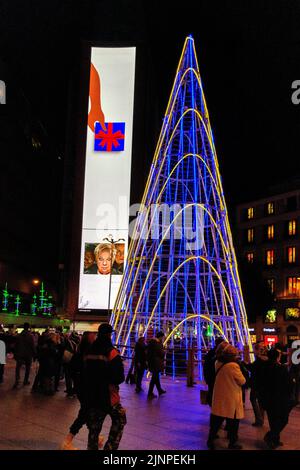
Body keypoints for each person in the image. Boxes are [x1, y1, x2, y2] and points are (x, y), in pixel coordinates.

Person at [82, 323, 126, 450]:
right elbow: (119, 377)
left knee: (94, 427)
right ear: (109, 335)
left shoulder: (89, 350)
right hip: (108, 396)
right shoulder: (112, 352)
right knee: (120, 420)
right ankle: (110, 447)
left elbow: (84, 372)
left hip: (92, 394)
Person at [61, 331, 98, 450]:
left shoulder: (81, 352)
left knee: (86, 412)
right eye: (93, 337)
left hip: (82, 387)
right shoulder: (85, 354)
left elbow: (72, 370)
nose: (95, 338)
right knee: (84, 413)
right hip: (85, 388)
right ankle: (68, 440)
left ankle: (95, 437)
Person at [207, 344, 246, 450]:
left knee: (216, 421)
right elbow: (242, 381)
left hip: (220, 395)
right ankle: (232, 443)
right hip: (231, 396)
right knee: (233, 422)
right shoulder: (233, 366)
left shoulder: (218, 362)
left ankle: (210, 440)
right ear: (233, 355)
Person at [260, 348, 294, 449]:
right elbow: (288, 384)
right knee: (283, 419)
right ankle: (270, 436)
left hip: (267, 398)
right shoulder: (281, 368)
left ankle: (275, 439)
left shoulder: (264, 367)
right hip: (280, 399)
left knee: (273, 420)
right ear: (277, 357)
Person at [246, 341, 267, 426]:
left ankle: (259, 419)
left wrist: (245, 364)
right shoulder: (265, 358)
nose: (253, 351)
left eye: (254, 349)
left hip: (256, 383)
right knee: (261, 401)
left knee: (253, 399)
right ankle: (261, 419)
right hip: (263, 383)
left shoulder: (259, 360)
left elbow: (253, 368)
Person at [203, 337, 226, 406]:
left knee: (212, 391)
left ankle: (213, 405)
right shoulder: (223, 354)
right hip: (218, 378)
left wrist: (206, 378)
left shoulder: (211, 353)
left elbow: (206, 366)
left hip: (211, 377)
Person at [13, 323, 36, 388]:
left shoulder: (19, 335)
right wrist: (35, 354)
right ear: (28, 327)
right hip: (28, 354)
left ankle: (17, 381)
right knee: (28, 368)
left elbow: (16, 345)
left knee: (18, 368)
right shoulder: (30, 336)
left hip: (20, 354)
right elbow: (32, 346)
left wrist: (15, 353)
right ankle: (25, 380)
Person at [147, 331, 166, 399]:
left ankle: (159, 390)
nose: (163, 338)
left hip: (152, 362)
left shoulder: (151, 342)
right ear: (160, 337)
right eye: (163, 337)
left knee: (156, 377)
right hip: (156, 363)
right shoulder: (157, 344)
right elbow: (161, 353)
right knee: (154, 378)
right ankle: (150, 393)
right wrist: (164, 352)